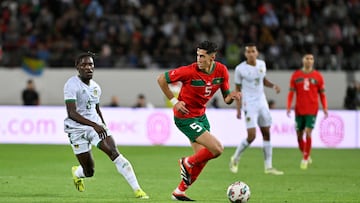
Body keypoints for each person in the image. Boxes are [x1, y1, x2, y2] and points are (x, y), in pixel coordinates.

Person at [157, 41, 241, 201]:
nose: (199, 59)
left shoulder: (221, 71)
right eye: (197, 55)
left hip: (201, 116)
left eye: (202, 56)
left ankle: (179, 191)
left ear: (212, 57)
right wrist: (175, 102)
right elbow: (161, 79)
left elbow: (226, 98)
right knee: (217, 149)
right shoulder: (189, 71)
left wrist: (232, 96)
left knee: (202, 158)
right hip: (185, 117)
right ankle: (186, 162)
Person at [63, 52, 149, 199]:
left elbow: (96, 109)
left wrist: (102, 125)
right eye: (84, 64)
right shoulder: (71, 85)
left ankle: (138, 190)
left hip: (95, 127)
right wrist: (94, 125)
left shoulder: (96, 87)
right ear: (77, 67)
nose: (88, 67)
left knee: (114, 153)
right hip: (76, 129)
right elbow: (72, 113)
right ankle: (77, 173)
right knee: (89, 172)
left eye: (90, 64)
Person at [229, 43, 284, 175]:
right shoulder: (240, 69)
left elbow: (263, 80)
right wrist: (238, 108)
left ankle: (268, 166)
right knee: (251, 136)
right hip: (249, 104)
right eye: (248, 52)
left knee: (266, 132)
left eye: (253, 51)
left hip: (262, 102)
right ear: (245, 54)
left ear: (257, 53)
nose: (251, 54)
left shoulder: (261, 64)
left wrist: (273, 86)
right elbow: (237, 89)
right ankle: (235, 158)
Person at [287, 53, 328, 170]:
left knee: (308, 132)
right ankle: (306, 153)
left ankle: (305, 158)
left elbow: (322, 95)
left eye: (311, 59)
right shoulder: (296, 75)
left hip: (312, 109)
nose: (309, 61)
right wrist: (288, 106)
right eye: (307, 58)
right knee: (299, 135)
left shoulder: (318, 76)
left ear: (313, 61)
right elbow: (291, 93)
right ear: (303, 60)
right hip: (299, 110)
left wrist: (325, 107)